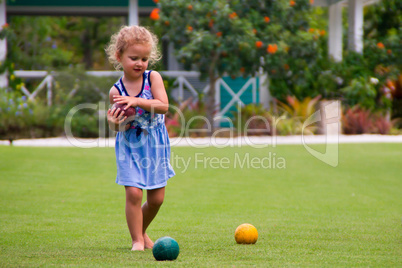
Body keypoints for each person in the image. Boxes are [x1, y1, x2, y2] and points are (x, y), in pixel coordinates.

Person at [105, 25, 175, 251]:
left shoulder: (153, 77)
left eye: (144, 59)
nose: (140, 63)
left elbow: (163, 106)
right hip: (130, 146)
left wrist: (137, 101)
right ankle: (137, 240)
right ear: (119, 56)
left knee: (157, 199)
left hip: (155, 144)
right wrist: (114, 124)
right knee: (134, 193)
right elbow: (120, 126)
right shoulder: (116, 91)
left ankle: (142, 232)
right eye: (134, 57)